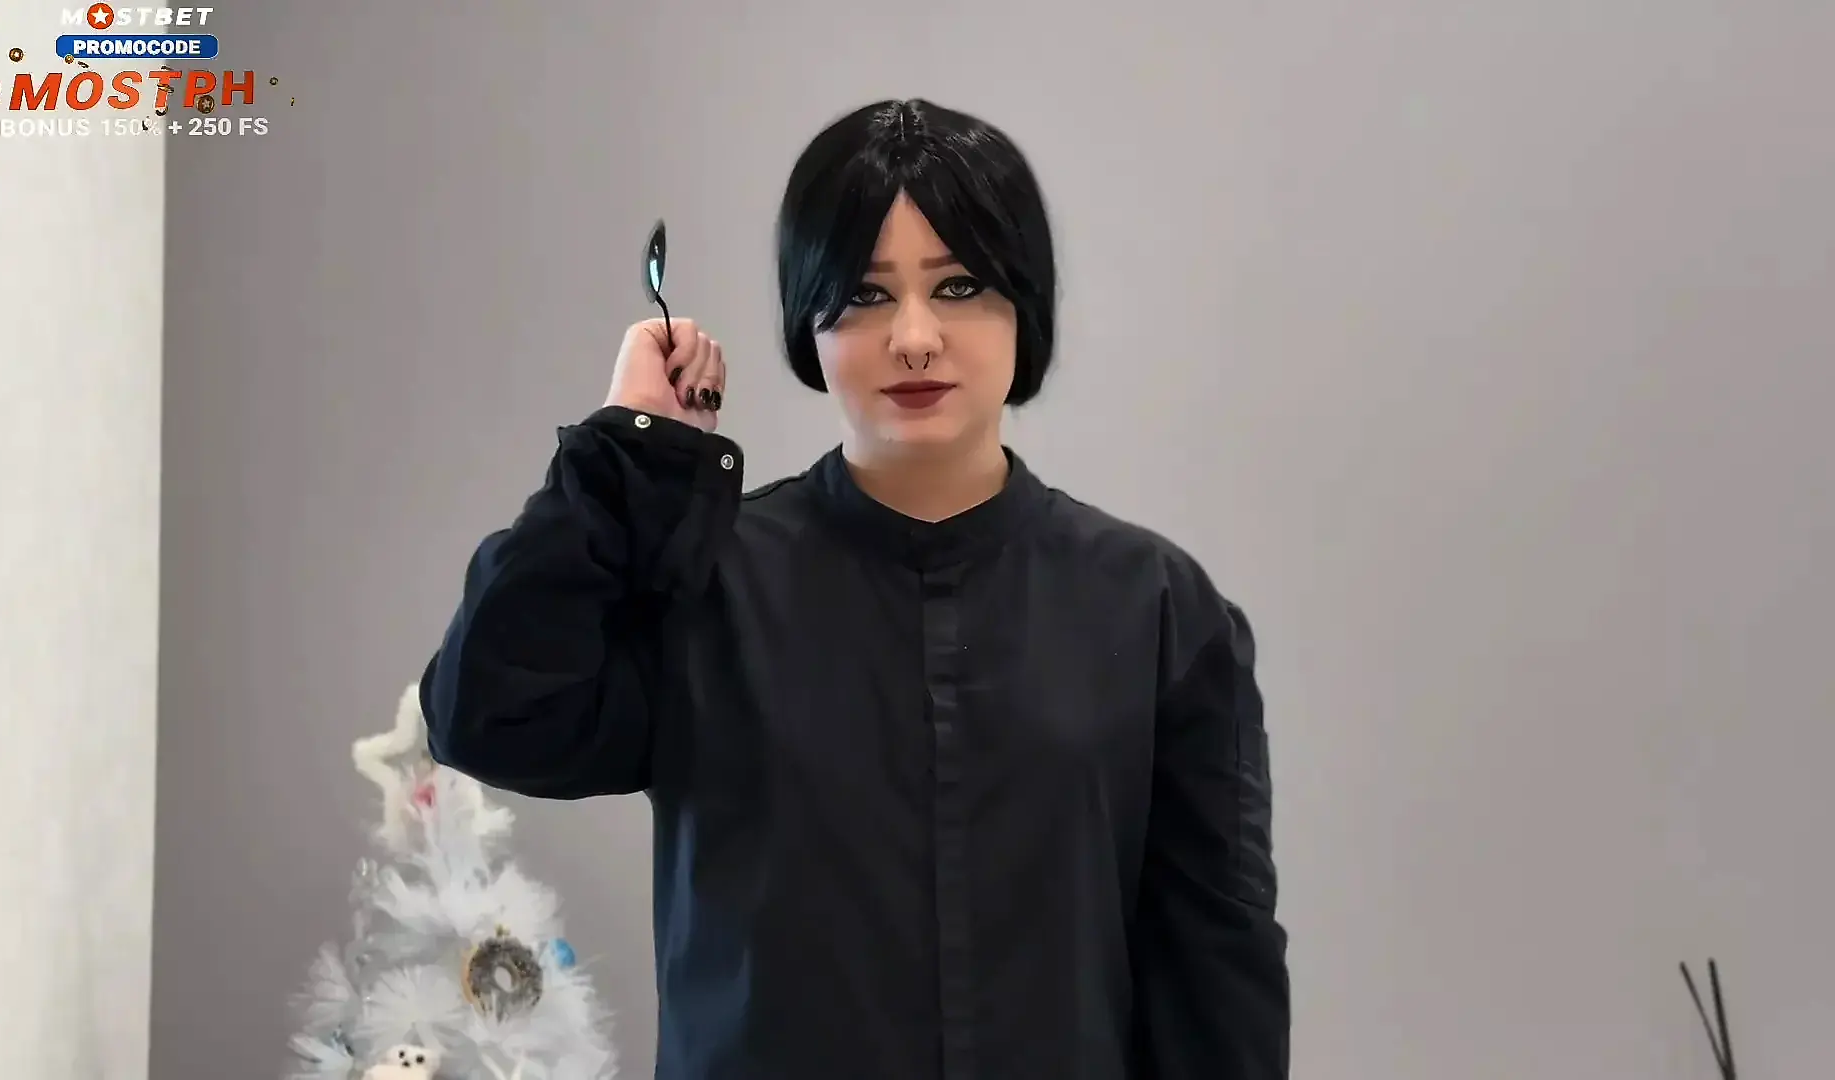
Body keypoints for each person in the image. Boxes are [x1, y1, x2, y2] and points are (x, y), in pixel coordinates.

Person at [422, 98, 1291, 1079]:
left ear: (1026, 306)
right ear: (810, 320)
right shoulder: (708, 584)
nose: (914, 337)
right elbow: (490, 719)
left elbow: (1216, 965)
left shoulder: (1157, 608)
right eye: (866, 296)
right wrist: (624, 457)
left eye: (959, 286)